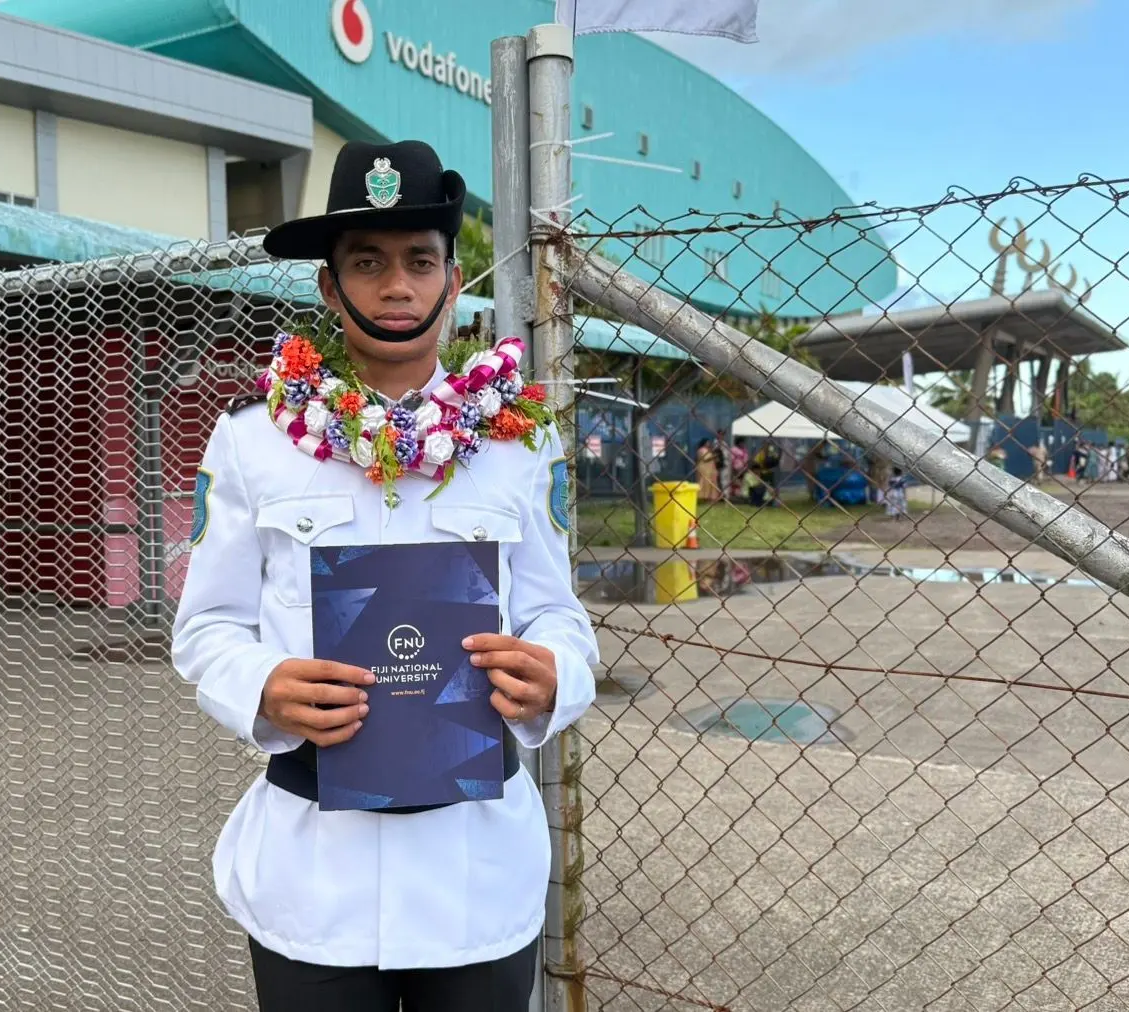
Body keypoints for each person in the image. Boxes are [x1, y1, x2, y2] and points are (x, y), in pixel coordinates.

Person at [171, 139, 599, 1011]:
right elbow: (207, 628)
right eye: (367, 262)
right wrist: (264, 685)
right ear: (329, 288)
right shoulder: (255, 439)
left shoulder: (518, 442)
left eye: (419, 260)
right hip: (313, 882)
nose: (396, 286)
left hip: (474, 877)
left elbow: (558, 615)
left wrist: (555, 673)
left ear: (454, 280)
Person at [695, 439, 721, 503]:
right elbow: (705, 459)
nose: (709, 444)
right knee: (704, 482)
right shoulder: (702, 450)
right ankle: (702, 497)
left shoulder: (708, 450)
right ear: (704, 443)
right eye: (708, 442)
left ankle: (708, 497)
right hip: (704, 469)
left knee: (709, 483)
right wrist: (715, 456)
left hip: (709, 469)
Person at [728, 437, 749, 501]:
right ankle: (734, 497)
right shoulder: (734, 449)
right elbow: (731, 459)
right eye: (741, 442)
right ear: (738, 442)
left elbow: (746, 458)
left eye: (743, 442)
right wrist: (733, 469)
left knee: (742, 482)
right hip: (735, 468)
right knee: (735, 482)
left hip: (743, 468)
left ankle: (740, 496)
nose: (743, 444)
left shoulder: (744, 450)